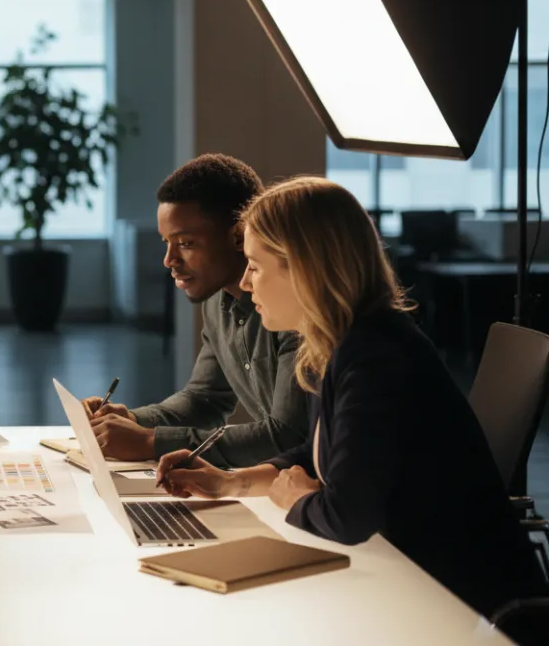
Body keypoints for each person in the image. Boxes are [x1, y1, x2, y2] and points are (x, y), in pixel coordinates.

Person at [157, 177, 548, 619]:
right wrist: (233, 481)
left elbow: (347, 515)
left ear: (304, 268)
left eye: (256, 266)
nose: (246, 283)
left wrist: (298, 500)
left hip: (467, 610)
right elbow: (321, 451)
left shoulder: (376, 355)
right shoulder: (339, 343)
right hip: (410, 582)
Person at [82, 154, 307, 467]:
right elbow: (205, 399)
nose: (168, 259)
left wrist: (150, 441)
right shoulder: (218, 303)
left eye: (185, 243)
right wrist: (133, 419)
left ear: (238, 237)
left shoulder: (294, 309)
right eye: (166, 242)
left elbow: (288, 436)